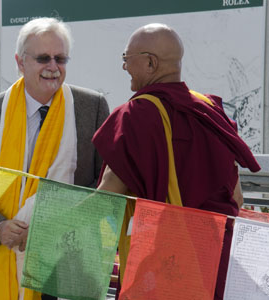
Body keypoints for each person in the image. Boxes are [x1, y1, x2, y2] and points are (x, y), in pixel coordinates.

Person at [92, 23, 261, 300]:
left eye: (126, 58)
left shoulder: (136, 116)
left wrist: (47, 226)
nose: (123, 67)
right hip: (216, 266)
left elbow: (105, 200)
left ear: (150, 62)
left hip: (161, 273)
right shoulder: (210, 111)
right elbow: (237, 199)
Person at [0, 17, 109, 300]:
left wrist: (51, 230)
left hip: (67, 264)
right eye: (43, 58)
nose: (53, 67)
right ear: (20, 62)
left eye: (60, 58)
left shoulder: (92, 108)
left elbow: (104, 187)